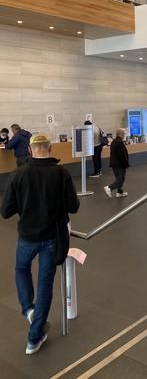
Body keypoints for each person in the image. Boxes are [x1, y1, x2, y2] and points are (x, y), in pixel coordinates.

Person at [1, 134, 80, 355]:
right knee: (45, 283)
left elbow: (6, 211)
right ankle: (33, 340)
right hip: (52, 237)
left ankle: (28, 309)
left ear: (30, 149)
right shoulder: (61, 173)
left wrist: (26, 204)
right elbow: (73, 207)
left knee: (21, 268)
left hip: (27, 236)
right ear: (50, 148)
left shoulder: (18, 174)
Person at [104, 128, 129, 198]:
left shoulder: (114, 141)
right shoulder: (119, 142)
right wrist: (126, 164)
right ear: (119, 134)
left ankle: (119, 192)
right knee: (120, 179)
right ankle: (109, 188)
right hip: (119, 164)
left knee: (119, 178)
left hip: (114, 164)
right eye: (123, 133)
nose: (124, 135)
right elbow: (122, 155)